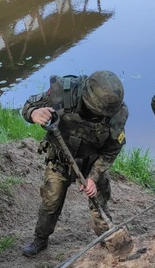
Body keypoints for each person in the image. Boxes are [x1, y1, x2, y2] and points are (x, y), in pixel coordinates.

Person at [22, 70, 128, 257]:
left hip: (92, 163)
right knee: (50, 202)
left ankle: (107, 238)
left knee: (99, 204)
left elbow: (112, 149)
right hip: (60, 160)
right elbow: (29, 105)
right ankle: (41, 238)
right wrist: (34, 113)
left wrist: (94, 177)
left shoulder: (117, 114)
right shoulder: (61, 93)